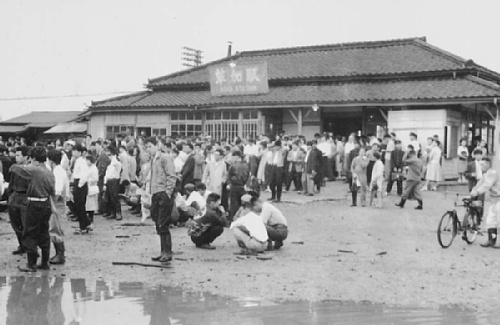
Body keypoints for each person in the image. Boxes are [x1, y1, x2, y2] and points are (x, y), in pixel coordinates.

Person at [15, 146, 55, 272]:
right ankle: (44, 262)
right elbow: (52, 191)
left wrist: (27, 163)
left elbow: (15, 168)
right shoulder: (49, 171)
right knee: (44, 233)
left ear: (34, 159)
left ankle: (31, 264)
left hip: (34, 204)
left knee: (30, 233)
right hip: (46, 203)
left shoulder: (33, 169)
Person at [146, 137, 176, 263]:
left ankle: (167, 252)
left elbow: (171, 176)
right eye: (146, 147)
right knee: (158, 223)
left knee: (163, 224)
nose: (148, 150)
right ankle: (162, 251)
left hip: (163, 193)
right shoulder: (153, 160)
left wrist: (168, 192)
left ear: (156, 145)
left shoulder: (165, 158)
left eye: (149, 147)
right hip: (155, 193)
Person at [470, 158, 500, 248]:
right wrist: (473, 191)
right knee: (491, 221)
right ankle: (491, 241)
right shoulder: (485, 174)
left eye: (483, 165)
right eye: (480, 165)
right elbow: (480, 183)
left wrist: (477, 192)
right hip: (494, 200)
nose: (481, 167)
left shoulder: (493, 173)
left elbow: (487, 185)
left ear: (488, 165)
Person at [47, 149, 70, 265]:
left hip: (58, 203)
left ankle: (60, 254)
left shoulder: (57, 171)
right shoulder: (60, 170)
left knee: (55, 228)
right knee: (55, 227)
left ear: (50, 161)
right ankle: (59, 253)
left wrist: (52, 205)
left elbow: (58, 191)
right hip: (59, 202)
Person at [7, 146, 31, 255]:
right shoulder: (14, 168)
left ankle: (29, 247)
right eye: (15, 155)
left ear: (26, 157)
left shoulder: (31, 170)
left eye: (18, 155)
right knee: (15, 223)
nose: (16, 157)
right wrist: (10, 197)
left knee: (26, 224)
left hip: (26, 197)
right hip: (15, 196)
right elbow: (11, 184)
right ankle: (21, 245)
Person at [72, 144, 91, 234]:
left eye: (75, 150)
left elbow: (85, 174)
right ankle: (86, 224)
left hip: (80, 184)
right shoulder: (77, 161)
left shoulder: (81, 161)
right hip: (78, 182)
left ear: (79, 152)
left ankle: (83, 227)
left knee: (80, 206)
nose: (73, 152)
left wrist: (79, 185)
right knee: (78, 206)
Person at [227, 150, 249, 221]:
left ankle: (233, 219)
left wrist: (229, 183)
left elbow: (229, 177)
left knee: (234, 204)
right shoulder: (246, 165)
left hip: (234, 186)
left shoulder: (233, 166)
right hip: (243, 186)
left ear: (236, 157)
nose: (232, 159)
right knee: (243, 204)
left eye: (233, 157)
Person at [103, 146, 123, 221]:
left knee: (114, 197)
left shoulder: (116, 162)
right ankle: (112, 212)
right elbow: (107, 173)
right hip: (109, 180)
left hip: (114, 180)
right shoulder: (110, 163)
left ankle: (118, 213)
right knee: (109, 198)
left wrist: (114, 157)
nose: (108, 156)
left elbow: (118, 167)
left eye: (109, 155)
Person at [85, 155, 99, 227]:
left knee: (91, 204)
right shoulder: (87, 167)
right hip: (87, 186)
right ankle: (87, 217)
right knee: (87, 204)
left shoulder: (94, 168)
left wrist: (90, 181)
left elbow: (95, 178)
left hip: (91, 187)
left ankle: (91, 217)